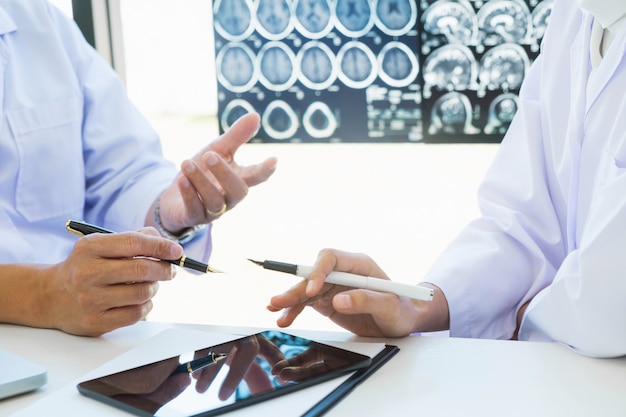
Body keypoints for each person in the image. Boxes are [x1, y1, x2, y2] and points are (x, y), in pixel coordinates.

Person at [268, 0, 626, 359]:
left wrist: (527, 317)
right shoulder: (574, 15)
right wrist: (419, 303)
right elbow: (524, 224)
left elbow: (609, 304)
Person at [0, 0, 276, 337]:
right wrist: (41, 295)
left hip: (82, 337)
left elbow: (119, 173)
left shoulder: (37, 23)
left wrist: (168, 210)